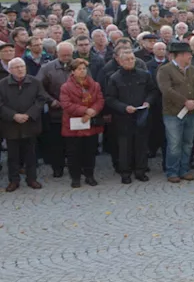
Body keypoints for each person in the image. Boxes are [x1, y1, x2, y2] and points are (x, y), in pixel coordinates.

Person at [104, 45, 155, 184]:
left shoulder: (144, 75)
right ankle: (125, 172)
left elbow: (152, 91)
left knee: (141, 145)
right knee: (124, 146)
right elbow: (109, 98)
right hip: (123, 117)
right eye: (126, 59)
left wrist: (148, 102)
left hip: (141, 115)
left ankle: (140, 171)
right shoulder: (114, 78)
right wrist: (124, 107)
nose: (130, 61)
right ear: (120, 61)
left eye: (132, 58)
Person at [0, 58, 53, 191]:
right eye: (16, 67)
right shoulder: (2, 84)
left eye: (22, 66)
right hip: (11, 125)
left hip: (30, 123)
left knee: (31, 154)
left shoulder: (35, 82)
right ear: (10, 70)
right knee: (12, 156)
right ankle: (14, 180)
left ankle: (32, 179)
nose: (20, 69)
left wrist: (29, 114)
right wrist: (13, 115)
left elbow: (41, 99)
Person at [157, 41, 194, 183]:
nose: (190, 56)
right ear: (179, 55)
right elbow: (166, 90)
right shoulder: (165, 70)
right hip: (173, 113)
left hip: (191, 112)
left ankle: (184, 169)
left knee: (188, 143)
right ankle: (172, 171)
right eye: (188, 54)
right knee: (174, 143)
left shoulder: (192, 69)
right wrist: (185, 101)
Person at [59, 58, 105, 188]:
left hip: (90, 122)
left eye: (84, 69)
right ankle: (75, 177)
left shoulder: (94, 85)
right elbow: (66, 104)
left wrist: (93, 111)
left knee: (90, 152)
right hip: (73, 124)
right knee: (74, 153)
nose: (82, 71)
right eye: (79, 69)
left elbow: (100, 100)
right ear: (73, 71)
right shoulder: (66, 87)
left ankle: (89, 175)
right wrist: (85, 111)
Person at [36, 41, 74, 178]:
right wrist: (51, 101)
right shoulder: (47, 68)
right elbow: (39, 88)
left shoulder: (79, 66)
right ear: (57, 54)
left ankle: (75, 166)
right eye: (63, 55)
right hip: (56, 112)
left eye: (69, 55)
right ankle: (57, 168)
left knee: (74, 142)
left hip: (75, 112)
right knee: (56, 142)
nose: (66, 58)